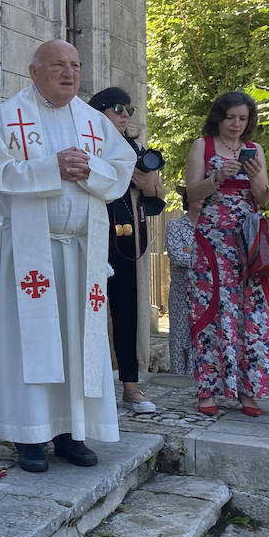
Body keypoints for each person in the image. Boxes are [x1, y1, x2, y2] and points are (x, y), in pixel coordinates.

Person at [0, 40, 134, 473]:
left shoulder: (93, 121)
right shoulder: (7, 117)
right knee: (31, 342)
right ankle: (29, 434)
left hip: (82, 252)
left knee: (77, 343)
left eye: (76, 66)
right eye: (59, 66)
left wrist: (90, 170)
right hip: (33, 253)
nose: (69, 73)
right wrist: (53, 168)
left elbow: (121, 171)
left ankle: (71, 431)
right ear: (34, 71)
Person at [185, 91, 269, 417]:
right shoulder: (203, 146)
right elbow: (190, 193)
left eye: (243, 118)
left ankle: (249, 390)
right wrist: (216, 178)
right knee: (210, 310)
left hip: (248, 244)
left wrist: (256, 177)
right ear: (219, 117)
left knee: (251, 314)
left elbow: (263, 200)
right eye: (231, 117)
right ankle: (207, 389)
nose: (237, 124)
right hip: (212, 240)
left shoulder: (256, 150)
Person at [88, 87, 164, 415]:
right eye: (117, 108)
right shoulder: (89, 143)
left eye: (128, 109)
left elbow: (157, 202)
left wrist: (148, 186)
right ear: (99, 111)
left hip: (126, 241)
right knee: (89, 312)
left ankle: (131, 386)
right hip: (90, 237)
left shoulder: (136, 151)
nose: (124, 114)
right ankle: (91, 385)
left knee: (127, 311)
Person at [165, 188, 197, 376]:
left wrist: (190, 252)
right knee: (179, 340)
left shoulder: (212, 228)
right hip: (181, 292)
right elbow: (177, 255)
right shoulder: (175, 225)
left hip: (206, 294)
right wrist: (203, 260)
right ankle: (178, 382)